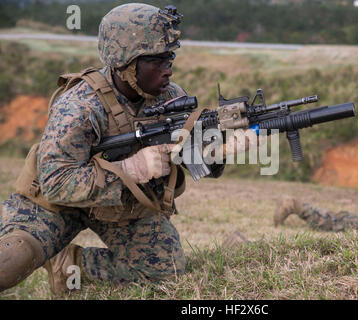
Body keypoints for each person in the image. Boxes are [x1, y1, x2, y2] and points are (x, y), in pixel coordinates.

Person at [0, 3, 251, 296]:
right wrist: (132, 169)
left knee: (165, 270)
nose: (168, 69)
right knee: (10, 260)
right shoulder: (79, 107)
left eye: (170, 57)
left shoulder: (170, 99)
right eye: (157, 61)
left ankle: (70, 266)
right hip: (56, 204)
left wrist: (221, 151)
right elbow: (56, 182)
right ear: (126, 63)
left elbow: (192, 157)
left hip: (121, 205)